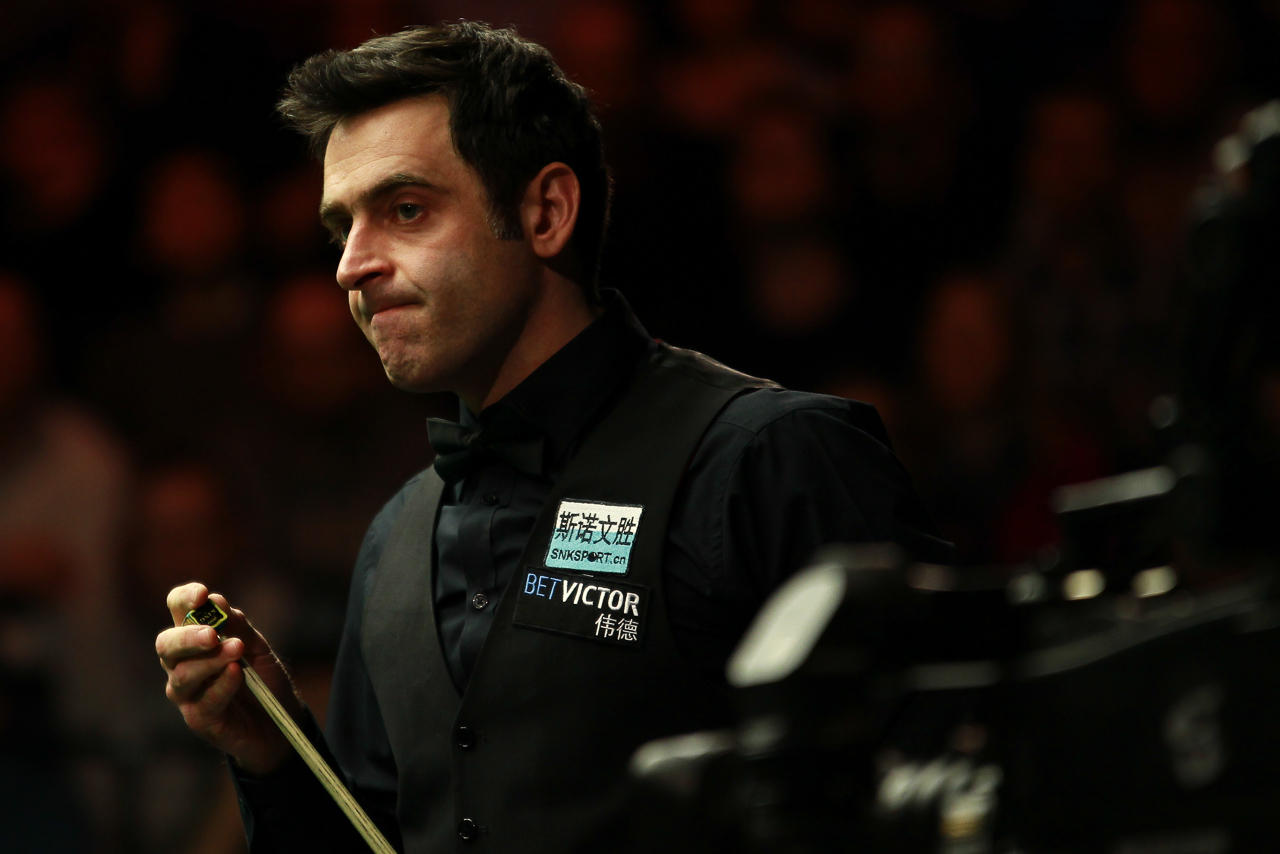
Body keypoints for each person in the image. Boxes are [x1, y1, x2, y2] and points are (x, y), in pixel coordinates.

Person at [155, 21, 952, 854]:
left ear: (546, 212)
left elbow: (951, 791)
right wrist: (277, 755)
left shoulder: (774, 458)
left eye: (405, 210)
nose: (351, 264)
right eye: (340, 228)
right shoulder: (393, 542)